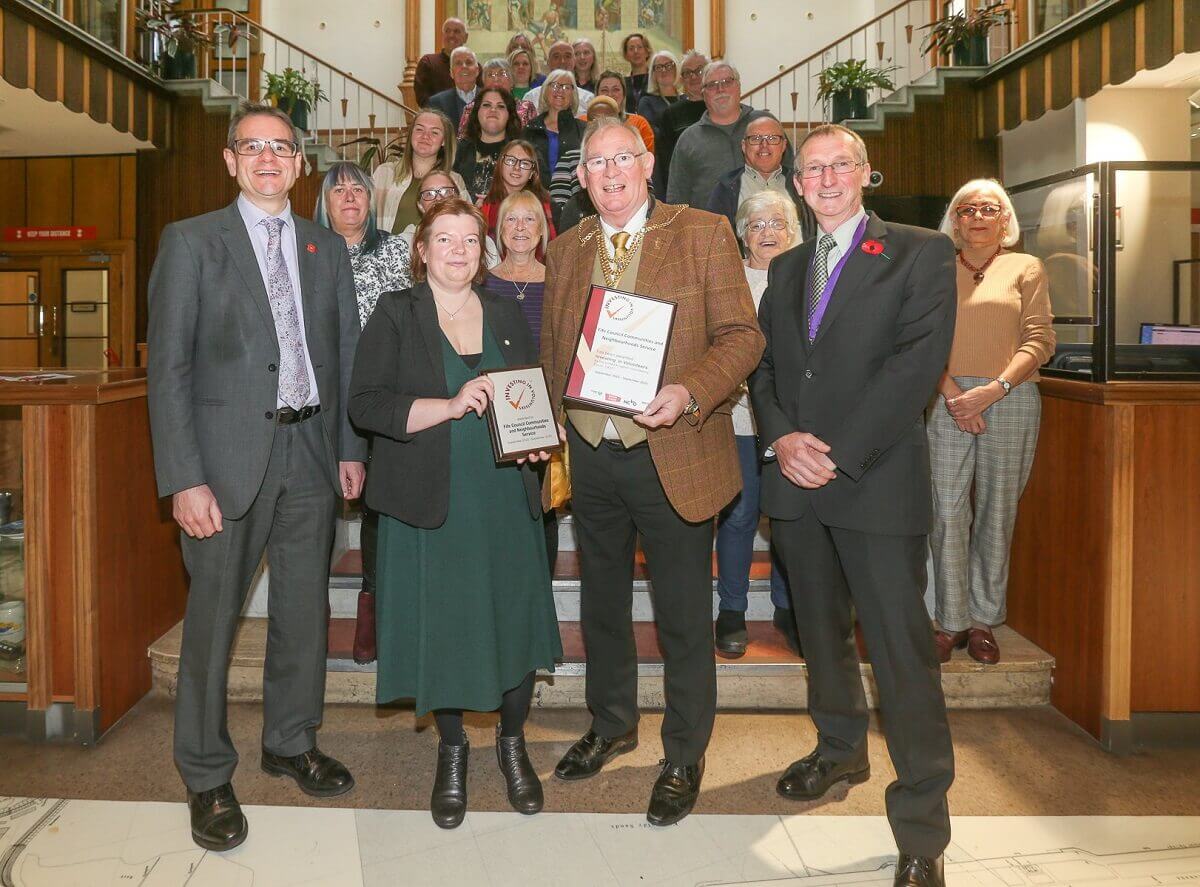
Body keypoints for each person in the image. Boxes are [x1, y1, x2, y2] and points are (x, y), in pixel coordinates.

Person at [147, 102, 366, 852]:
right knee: (212, 624)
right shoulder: (191, 243)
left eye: (282, 148)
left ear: (300, 164)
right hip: (222, 464)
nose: (268, 159)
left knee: (303, 612)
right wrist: (183, 478)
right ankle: (206, 772)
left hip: (308, 454)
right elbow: (168, 370)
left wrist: (348, 447)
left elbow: (340, 358)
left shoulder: (324, 248)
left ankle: (290, 740)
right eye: (253, 147)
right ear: (229, 160)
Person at [537, 117, 764, 827]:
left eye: (622, 159)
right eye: (596, 162)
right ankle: (611, 724)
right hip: (593, 454)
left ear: (646, 161)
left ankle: (684, 751)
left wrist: (690, 390)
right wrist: (543, 434)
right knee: (601, 604)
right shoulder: (568, 248)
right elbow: (553, 352)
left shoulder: (701, 231)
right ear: (581, 177)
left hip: (675, 451)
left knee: (683, 616)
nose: (609, 172)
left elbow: (742, 336)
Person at [749, 123, 956, 887]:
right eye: (814, 169)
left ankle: (923, 830)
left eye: (841, 165)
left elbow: (916, 367)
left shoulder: (919, 251)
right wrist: (783, 439)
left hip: (872, 484)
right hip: (797, 492)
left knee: (901, 657)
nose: (827, 178)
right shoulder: (788, 266)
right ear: (798, 185)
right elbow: (766, 371)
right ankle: (839, 749)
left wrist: (831, 450)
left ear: (865, 175)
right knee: (822, 640)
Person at [348, 198, 562, 830]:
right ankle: (452, 750)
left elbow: (527, 391)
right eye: (445, 240)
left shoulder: (503, 312)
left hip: (506, 500)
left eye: (471, 241)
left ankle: (512, 745)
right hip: (430, 505)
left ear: (482, 252)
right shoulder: (396, 313)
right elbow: (366, 404)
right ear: (423, 249)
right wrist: (447, 405)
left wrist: (540, 434)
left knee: (514, 623)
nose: (459, 251)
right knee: (446, 628)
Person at [929, 179, 1055, 666]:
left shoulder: (1027, 267)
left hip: (1012, 396)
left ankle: (983, 619)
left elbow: (1040, 339)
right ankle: (950, 620)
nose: (978, 216)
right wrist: (955, 393)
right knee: (946, 511)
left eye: (990, 208)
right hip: (946, 397)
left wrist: (992, 390)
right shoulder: (936, 267)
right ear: (954, 219)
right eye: (968, 208)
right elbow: (918, 336)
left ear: (1006, 219)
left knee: (998, 513)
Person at [314, 162, 413, 667]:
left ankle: (379, 610)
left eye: (359, 189)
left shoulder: (396, 249)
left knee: (380, 504)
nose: (350, 197)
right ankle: (326, 616)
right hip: (324, 398)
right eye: (339, 190)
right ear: (324, 202)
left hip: (386, 396)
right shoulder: (307, 252)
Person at [715, 190, 802, 657]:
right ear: (742, 233)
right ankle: (731, 610)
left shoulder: (808, 276)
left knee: (786, 517)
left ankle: (788, 608)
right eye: (756, 224)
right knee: (741, 516)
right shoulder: (727, 278)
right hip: (738, 417)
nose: (767, 232)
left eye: (776, 223)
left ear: (791, 231)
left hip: (792, 421)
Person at [667, 61, 791, 208]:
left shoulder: (765, 124)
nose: (720, 89)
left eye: (727, 82)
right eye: (712, 85)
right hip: (710, 228)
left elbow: (791, 174)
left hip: (767, 225)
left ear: (738, 87)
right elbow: (676, 198)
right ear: (704, 94)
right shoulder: (689, 139)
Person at [707, 114, 816, 246]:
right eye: (756, 138)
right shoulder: (725, 189)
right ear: (744, 146)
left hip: (798, 265)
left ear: (783, 146)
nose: (764, 145)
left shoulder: (801, 183)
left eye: (772, 138)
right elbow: (714, 242)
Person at [372, 109, 467, 234]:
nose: (425, 136)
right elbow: (365, 217)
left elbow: (466, 223)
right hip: (389, 250)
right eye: (419, 129)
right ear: (411, 134)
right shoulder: (384, 173)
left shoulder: (455, 180)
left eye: (434, 132)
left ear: (443, 141)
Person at [398, 170, 500, 267]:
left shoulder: (484, 243)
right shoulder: (405, 244)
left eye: (446, 192)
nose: (438, 198)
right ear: (420, 205)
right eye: (429, 194)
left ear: (458, 198)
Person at [524, 69, 587, 223]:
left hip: (575, 208)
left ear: (573, 95)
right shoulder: (530, 129)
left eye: (567, 87)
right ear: (545, 91)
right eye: (555, 85)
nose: (560, 90)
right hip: (536, 205)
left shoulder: (585, 130)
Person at [478, 139, 557, 249]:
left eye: (525, 163)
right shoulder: (484, 207)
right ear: (500, 165)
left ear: (532, 173)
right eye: (510, 160)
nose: (516, 167)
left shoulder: (549, 207)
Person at [454, 87, 522, 203]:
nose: (493, 110)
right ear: (477, 112)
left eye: (501, 106)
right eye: (486, 105)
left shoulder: (523, 152)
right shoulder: (458, 150)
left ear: (510, 115)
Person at [653, 50, 707, 195]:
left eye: (699, 71)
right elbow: (665, 161)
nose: (693, 76)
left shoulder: (718, 108)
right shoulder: (671, 114)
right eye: (687, 73)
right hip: (685, 189)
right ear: (682, 79)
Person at [457, 59, 537, 138]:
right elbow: (463, 140)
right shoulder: (471, 108)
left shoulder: (527, 108)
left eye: (502, 74)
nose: (496, 79)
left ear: (512, 81)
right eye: (490, 75)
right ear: (483, 82)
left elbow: (534, 141)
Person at [590, 70, 656, 152]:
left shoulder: (640, 124)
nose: (610, 94)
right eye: (604, 90)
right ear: (597, 94)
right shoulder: (583, 122)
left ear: (624, 94)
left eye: (616, 89)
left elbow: (646, 159)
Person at [523, 42, 595, 110]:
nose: (562, 61)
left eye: (567, 56)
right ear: (548, 62)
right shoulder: (531, 97)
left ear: (574, 61)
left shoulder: (588, 99)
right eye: (556, 57)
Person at [415, 17, 468, 107]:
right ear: (442, 36)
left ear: (466, 37)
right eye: (447, 31)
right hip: (437, 118)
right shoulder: (428, 62)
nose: (451, 35)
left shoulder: (473, 67)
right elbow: (423, 99)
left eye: (457, 31)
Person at [427, 47, 479, 125]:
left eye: (468, 62)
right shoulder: (436, 103)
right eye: (458, 63)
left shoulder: (489, 99)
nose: (464, 66)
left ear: (477, 71)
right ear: (451, 73)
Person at [637, 50, 680, 139]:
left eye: (668, 65)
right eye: (659, 67)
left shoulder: (686, 98)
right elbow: (650, 135)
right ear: (653, 74)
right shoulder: (646, 102)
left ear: (677, 69)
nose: (664, 70)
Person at [622, 33, 652, 114]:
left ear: (647, 52)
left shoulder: (655, 79)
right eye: (631, 48)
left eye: (640, 47)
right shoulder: (622, 82)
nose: (636, 51)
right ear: (626, 55)